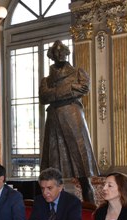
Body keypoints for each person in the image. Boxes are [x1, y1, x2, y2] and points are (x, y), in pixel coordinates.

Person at [39, 40, 99, 203]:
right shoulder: (46, 80)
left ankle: (90, 211)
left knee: (82, 172)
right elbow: (44, 97)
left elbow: (83, 88)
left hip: (73, 119)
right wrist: (69, 89)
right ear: (51, 55)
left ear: (67, 53)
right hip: (54, 122)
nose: (59, 55)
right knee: (53, 170)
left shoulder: (78, 73)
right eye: (56, 52)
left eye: (62, 52)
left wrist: (56, 93)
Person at [13, 167, 82, 220]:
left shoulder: (72, 202)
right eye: (42, 188)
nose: (45, 193)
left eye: (49, 188)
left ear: (60, 187)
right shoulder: (39, 200)